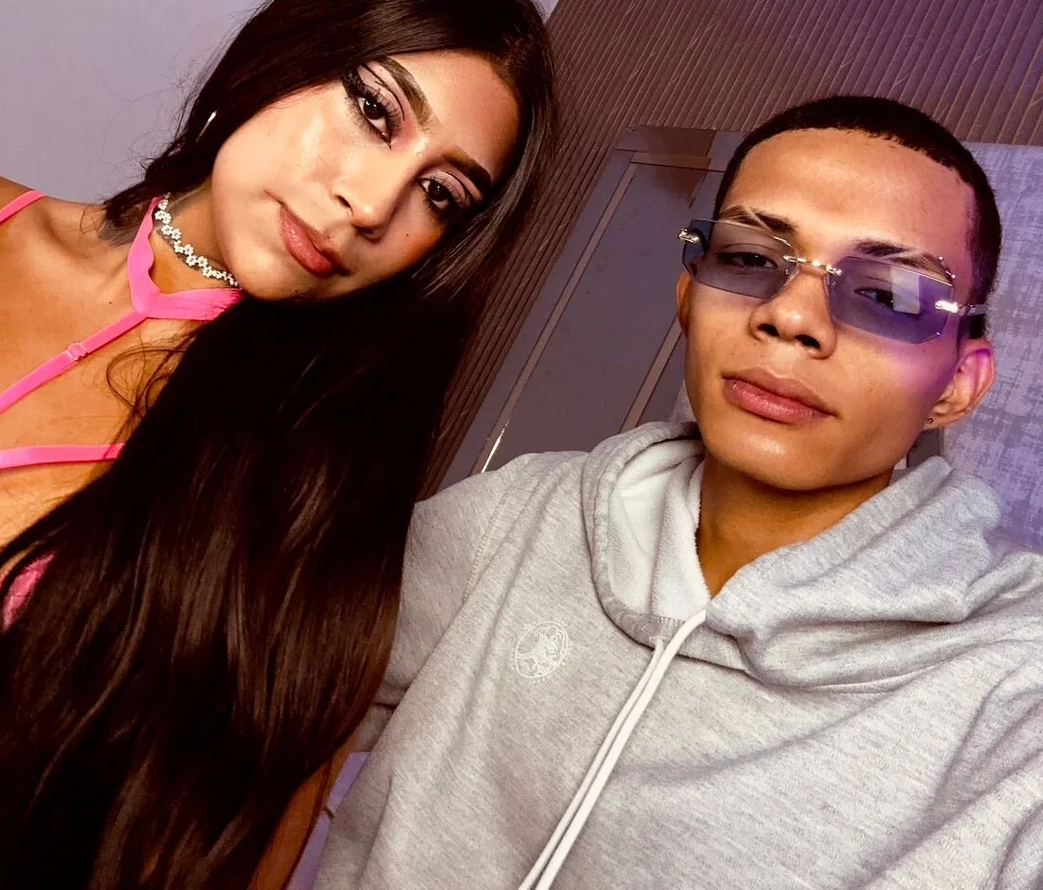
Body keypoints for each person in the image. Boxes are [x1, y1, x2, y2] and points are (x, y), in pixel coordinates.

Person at [0, 0, 557, 890]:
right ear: (296, 46)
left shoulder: (295, 533)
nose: (372, 202)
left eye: (440, 193)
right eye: (374, 110)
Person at [315, 95, 1043, 890]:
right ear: (689, 298)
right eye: (751, 257)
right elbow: (269, 703)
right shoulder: (519, 517)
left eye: (891, 294)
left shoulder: (1014, 688)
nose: (791, 315)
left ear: (959, 384)